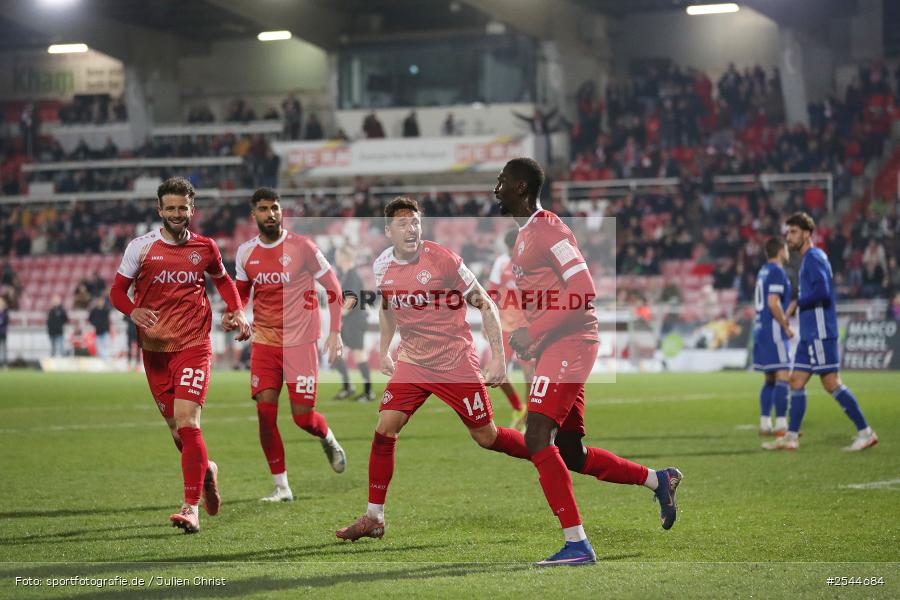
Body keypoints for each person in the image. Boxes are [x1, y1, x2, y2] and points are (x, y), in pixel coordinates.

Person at [495, 157, 682, 566]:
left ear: (522, 187)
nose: (497, 189)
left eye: (503, 181)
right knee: (571, 451)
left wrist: (538, 329)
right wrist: (530, 338)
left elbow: (584, 288)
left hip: (572, 341)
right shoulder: (524, 237)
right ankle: (658, 480)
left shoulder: (549, 228)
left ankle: (577, 544)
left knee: (536, 436)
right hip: (555, 344)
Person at [335, 196, 530, 541]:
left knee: (486, 436)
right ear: (388, 231)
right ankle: (374, 517)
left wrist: (498, 357)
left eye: (415, 223)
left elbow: (484, 303)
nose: (411, 229)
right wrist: (384, 349)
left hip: (454, 360)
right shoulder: (382, 266)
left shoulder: (443, 259)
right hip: (413, 360)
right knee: (384, 428)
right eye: (402, 224)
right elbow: (388, 308)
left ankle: (542, 450)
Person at [109, 176, 251, 534]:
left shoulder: (205, 247)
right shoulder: (139, 248)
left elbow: (223, 280)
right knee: (177, 432)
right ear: (160, 210)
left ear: (192, 210)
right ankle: (207, 471)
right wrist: (132, 311)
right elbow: (116, 291)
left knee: (188, 422)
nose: (176, 213)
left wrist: (237, 310)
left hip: (193, 346)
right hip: (155, 352)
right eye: (170, 208)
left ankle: (190, 508)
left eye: (182, 208)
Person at [228, 187, 347, 503]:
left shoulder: (303, 247)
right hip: (265, 343)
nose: (271, 214)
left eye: (275, 207)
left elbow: (334, 288)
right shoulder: (245, 253)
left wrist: (335, 331)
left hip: (301, 343)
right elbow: (240, 294)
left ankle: (327, 436)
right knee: (265, 415)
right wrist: (237, 314)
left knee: (302, 418)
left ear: (282, 211)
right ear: (254, 215)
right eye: (264, 209)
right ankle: (282, 487)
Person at [763, 212, 878, 452]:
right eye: (787, 233)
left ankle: (865, 432)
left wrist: (797, 302)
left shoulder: (814, 257)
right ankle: (791, 437)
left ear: (806, 233)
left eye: (793, 232)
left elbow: (824, 292)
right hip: (808, 334)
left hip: (820, 332)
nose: (789, 237)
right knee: (796, 381)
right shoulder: (809, 260)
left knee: (831, 383)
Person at [486, 228, 533, 431]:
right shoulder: (501, 263)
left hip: (528, 328)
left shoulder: (533, 263)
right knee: (494, 372)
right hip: (505, 326)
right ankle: (519, 408)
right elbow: (491, 293)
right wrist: (489, 323)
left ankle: (530, 419)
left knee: (529, 373)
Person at [751, 237, 795, 437]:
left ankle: (765, 423)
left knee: (769, 378)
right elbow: (772, 302)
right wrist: (785, 325)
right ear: (780, 250)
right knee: (783, 376)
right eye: (785, 248)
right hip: (774, 329)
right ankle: (780, 424)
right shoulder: (777, 271)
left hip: (760, 328)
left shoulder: (763, 271)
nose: (788, 251)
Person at [332, 245, 373, 402]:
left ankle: (368, 392)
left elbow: (351, 300)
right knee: (335, 351)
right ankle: (348, 386)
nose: (336, 257)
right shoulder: (347, 275)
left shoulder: (352, 276)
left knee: (358, 355)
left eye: (338, 254)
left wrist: (339, 315)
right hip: (350, 321)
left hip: (355, 320)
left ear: (343, 256)